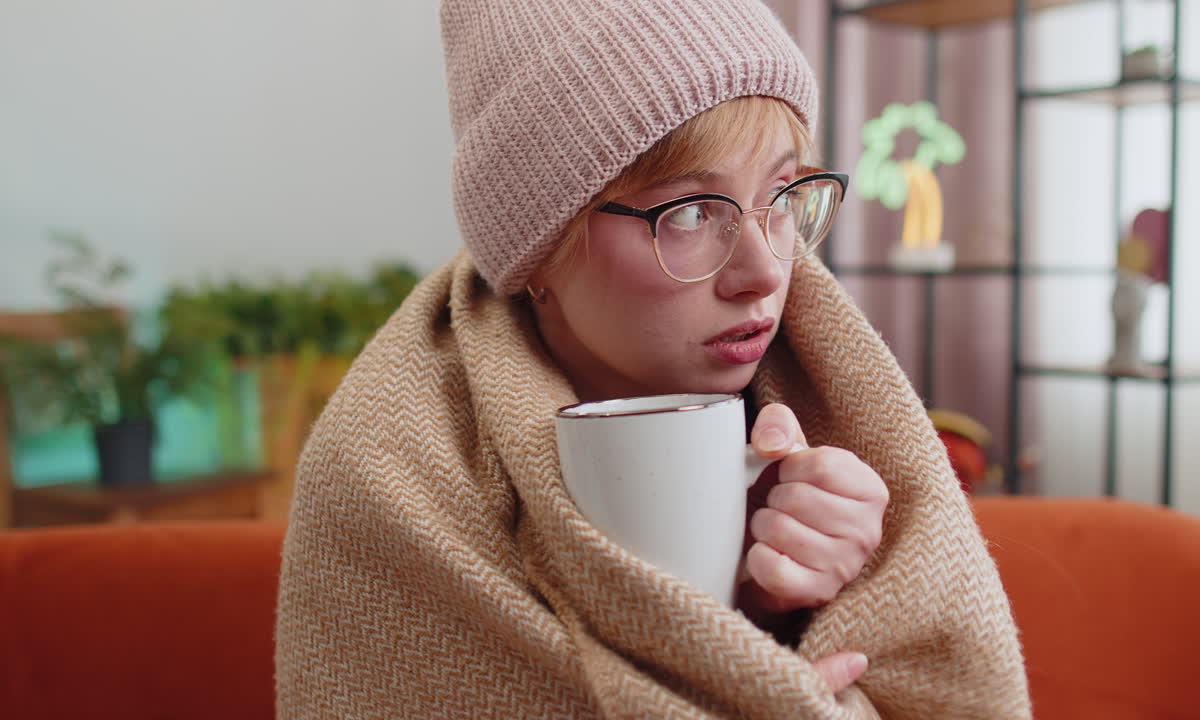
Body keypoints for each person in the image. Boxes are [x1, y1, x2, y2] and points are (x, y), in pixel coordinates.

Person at [275, 0, 1031, 717]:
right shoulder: (386, 481)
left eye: (783, 194)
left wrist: (780, 611)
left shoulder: (842, 438)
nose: (766, 271)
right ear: (539, 250)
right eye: (692, 211)